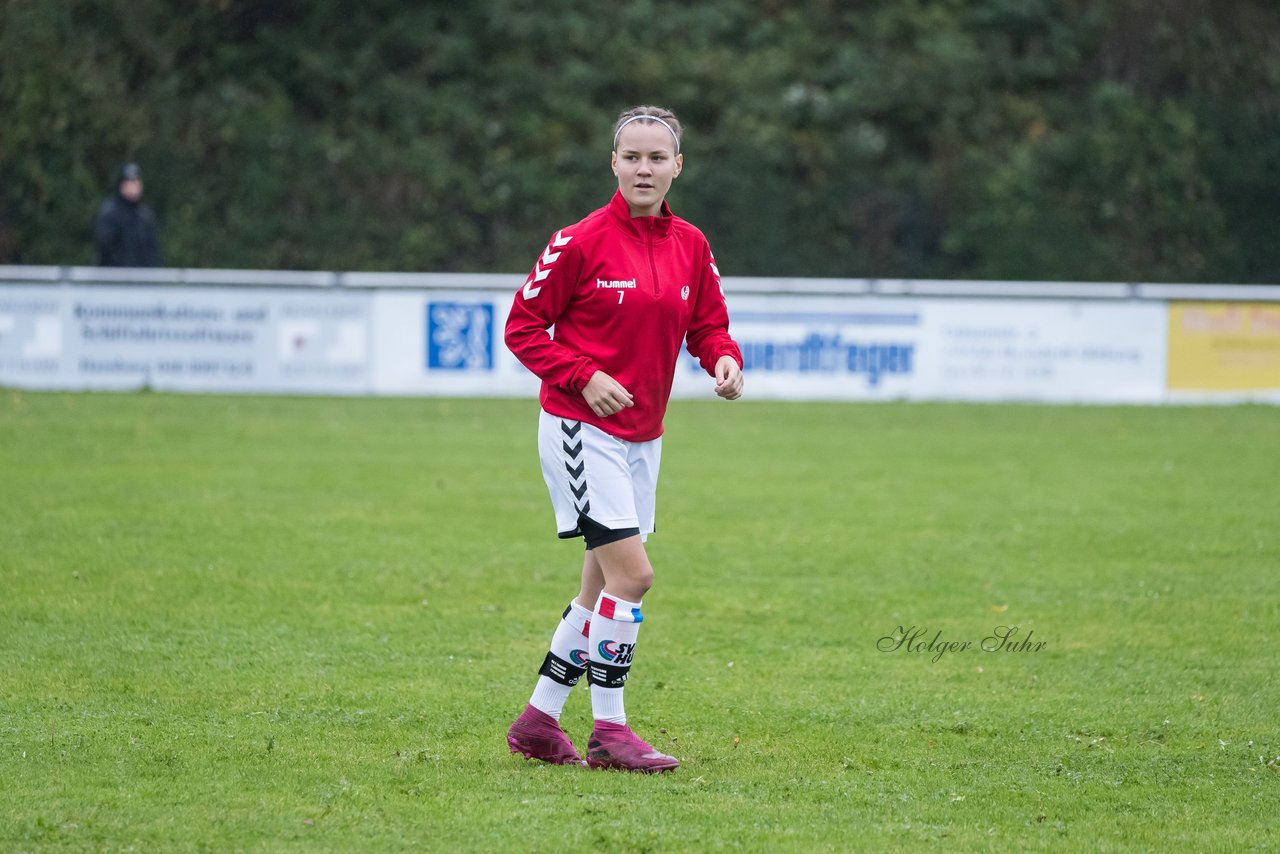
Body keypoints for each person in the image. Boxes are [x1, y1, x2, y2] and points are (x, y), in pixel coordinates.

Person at [503, 105, 744, 773]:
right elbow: (521, 328)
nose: (644, 167)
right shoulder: (579, 241)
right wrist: (584, 375)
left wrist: (723, 358)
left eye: (656, 157)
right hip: (581, 431)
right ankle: (611, 733)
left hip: (644, 436)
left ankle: (538, 721)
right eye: (631, 156)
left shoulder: (691, 244)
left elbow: (708, 325)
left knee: (597, 589)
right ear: (613, 164)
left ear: (677, 166)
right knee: (634, 576)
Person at [94, 163, 162, 267]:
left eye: (136, 182)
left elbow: (152, 251)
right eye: (129, 183)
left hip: (142, 278)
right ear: (121, 185)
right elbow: (105, 248)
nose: (134, 186)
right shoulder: (110, 213)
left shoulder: (144, 215)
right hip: (115, 278)